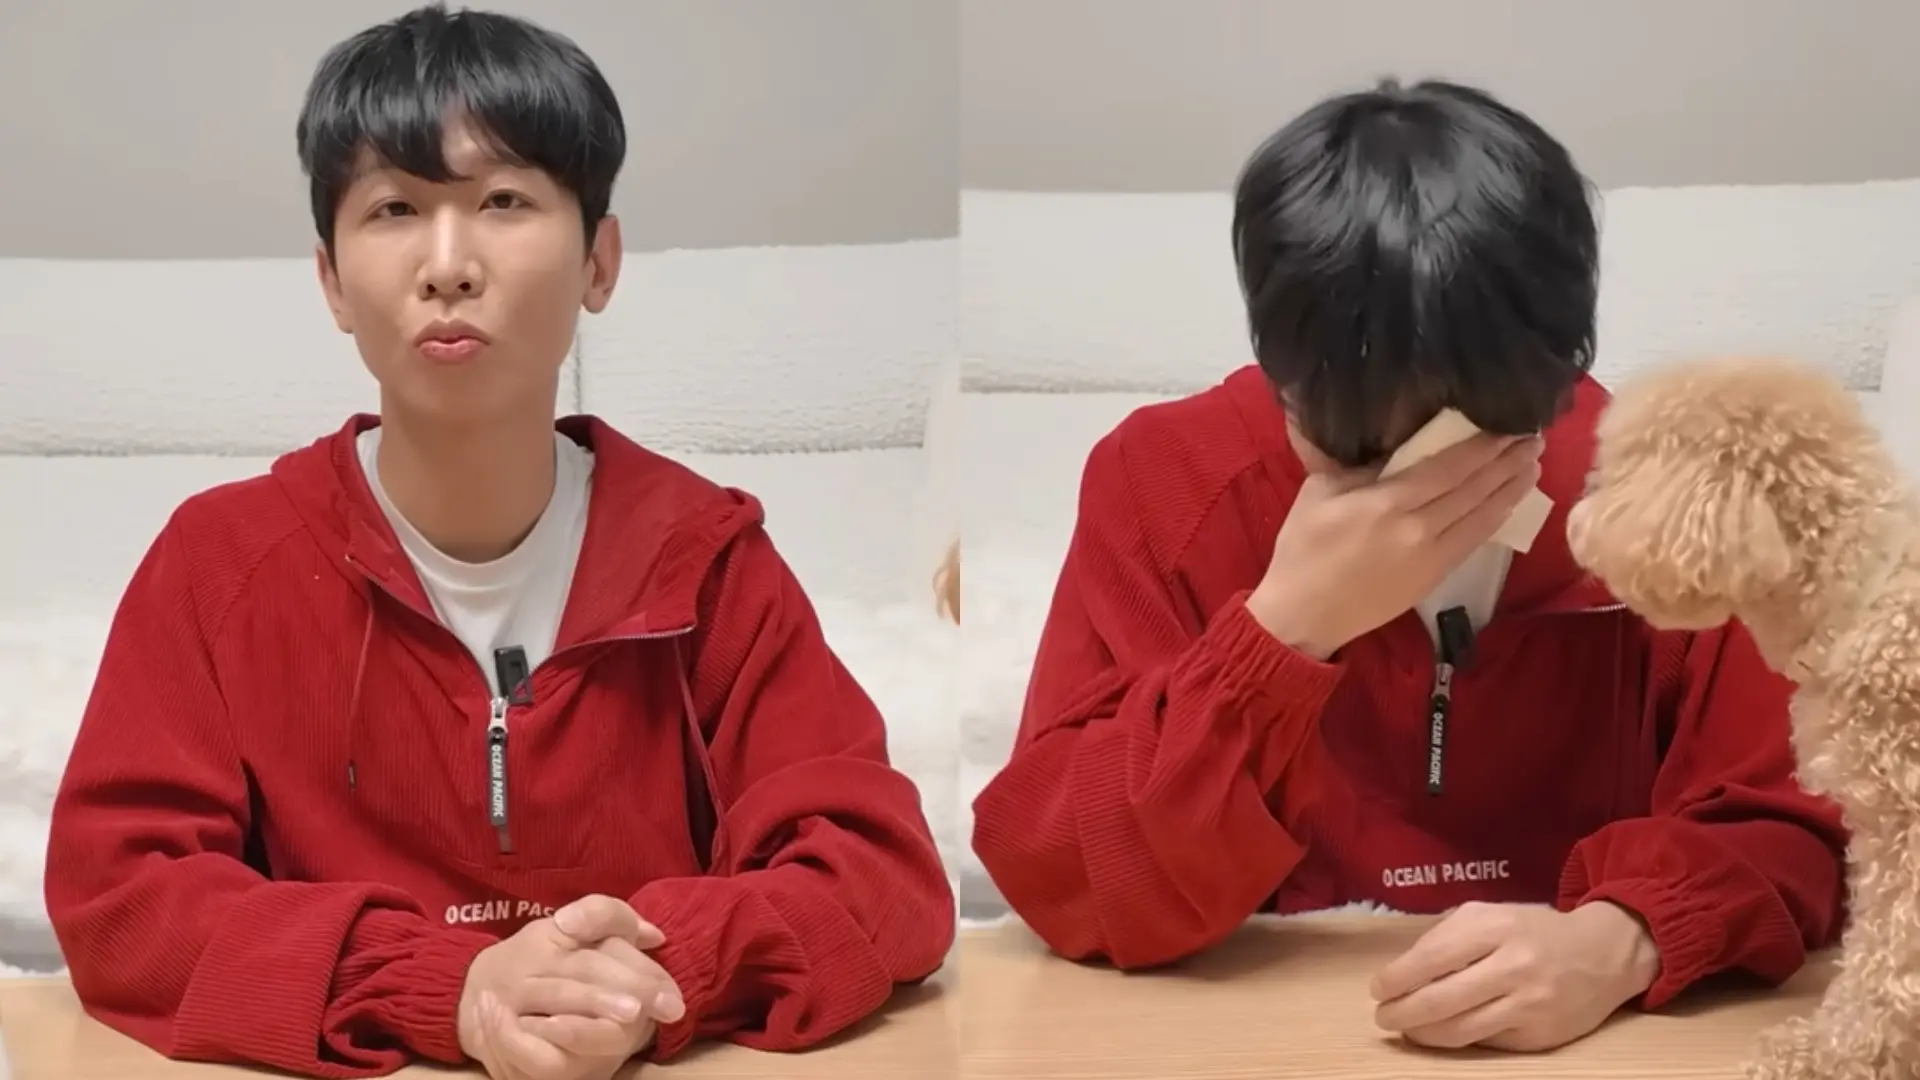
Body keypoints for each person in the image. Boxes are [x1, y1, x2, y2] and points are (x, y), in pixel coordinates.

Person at [42, 6, 954, 1079]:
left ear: (599, 262)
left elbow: (876, 872)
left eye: (504, 201)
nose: (448, 265)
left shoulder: (706, 559)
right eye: (394, 209)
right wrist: (451, 988)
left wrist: (646, 980)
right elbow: (121, 895)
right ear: (332, 281)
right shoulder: (219, 562)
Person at [970, 78, 1847, 1054]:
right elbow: (1060, 874)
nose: (1422, 487)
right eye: (1359, 452)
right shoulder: (1161, 480)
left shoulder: (1680, 495)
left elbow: (1802, 821)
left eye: (1477, 440)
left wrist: (1626, 939)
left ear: (1558, 371)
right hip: (1241, 1028)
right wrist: (1278, 633)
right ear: (1283, 374)